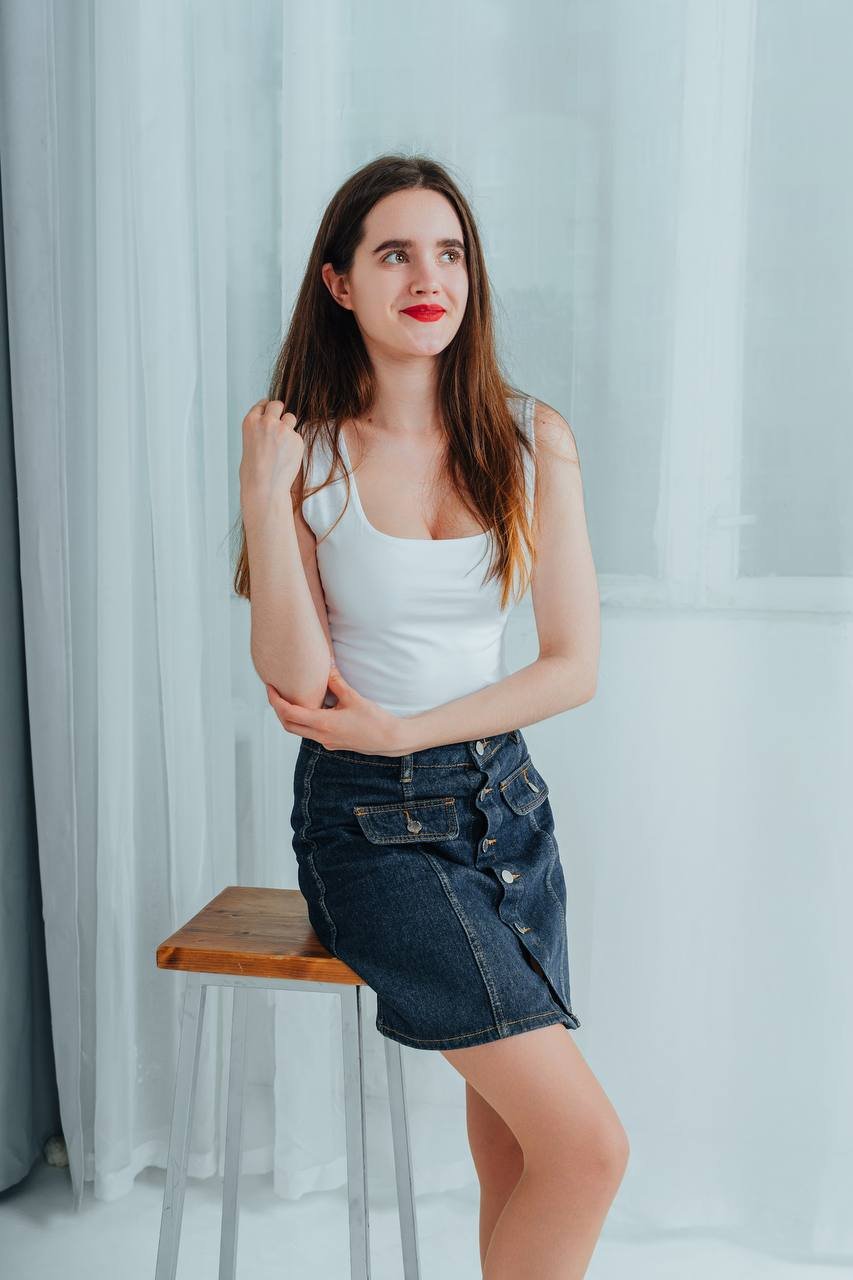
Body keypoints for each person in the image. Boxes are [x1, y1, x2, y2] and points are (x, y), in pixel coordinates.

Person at [233, 153, 628, 1278]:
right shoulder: (306, 453)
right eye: (395, 253)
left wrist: (413, 729)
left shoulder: (531, 438)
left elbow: (573, 666)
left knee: (521, 1149)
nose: (428, 278)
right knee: (588, 1150)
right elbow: (298, 683)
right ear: (339, 282)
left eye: (449, 253)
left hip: (505, 809)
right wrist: (262, 490)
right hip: (368, 828)